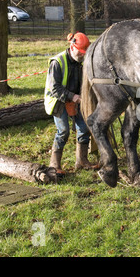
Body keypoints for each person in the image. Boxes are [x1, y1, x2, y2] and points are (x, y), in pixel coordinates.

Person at [44, 32, 99, 177]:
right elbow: (54, 88)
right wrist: (72, 96)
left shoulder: (80, 63)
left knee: (84, 128)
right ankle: (54, 165)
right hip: (58, 101)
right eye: (80, 53)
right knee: (63, 132)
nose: (82, 56)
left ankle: (81, 161)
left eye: (84, 53)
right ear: (72, 46)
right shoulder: (57, 62)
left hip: (75, 100)